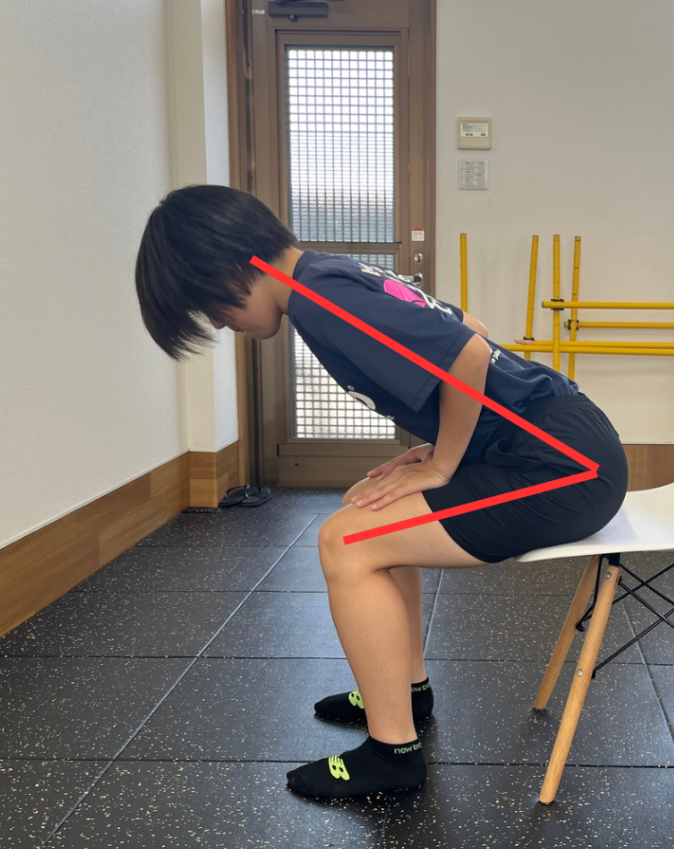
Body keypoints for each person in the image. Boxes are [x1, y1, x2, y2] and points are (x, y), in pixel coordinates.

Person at [135, 184, 629, 799]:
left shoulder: (319, 299)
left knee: (347, 541)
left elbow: (470, 352)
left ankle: (392, 754)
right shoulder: (327, 275)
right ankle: (406, 692)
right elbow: (468, 328)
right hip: (551, 444)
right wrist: (452, 447)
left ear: (233, 265)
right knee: (369, 505)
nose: (215, 321)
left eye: (207, 301)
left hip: (564, 467)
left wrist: (445, 463)